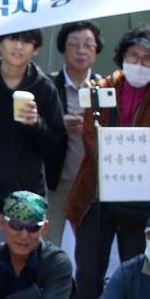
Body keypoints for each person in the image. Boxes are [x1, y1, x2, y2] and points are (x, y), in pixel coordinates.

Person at [64, 26, 150, 299]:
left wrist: (136, 171)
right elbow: (90, 136)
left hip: (138, 198)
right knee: (88, 273)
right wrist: (113, 165)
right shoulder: (99, 90)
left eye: (148, 59)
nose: (140, 63)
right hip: (95, 194)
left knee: (139, 274)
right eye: (134, 55)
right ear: (122, 56)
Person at [0, 29, 65, 251]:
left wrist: (35, 124)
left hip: (29, 196)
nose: (18, 47)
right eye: (12, 39)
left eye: (27, 42)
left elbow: (55, 143)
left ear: (36, 49)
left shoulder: (44, 88)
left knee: (27, 272)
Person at [47, 21, 104, 247]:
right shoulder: (49, 85)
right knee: (50, 243)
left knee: (90, 246)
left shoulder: (105, 87)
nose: (81, 51)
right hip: (57, 180)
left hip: (92, 182)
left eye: (88, 45)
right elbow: (35, 126)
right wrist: (59, 125)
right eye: (74, 45)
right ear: (63, 48)